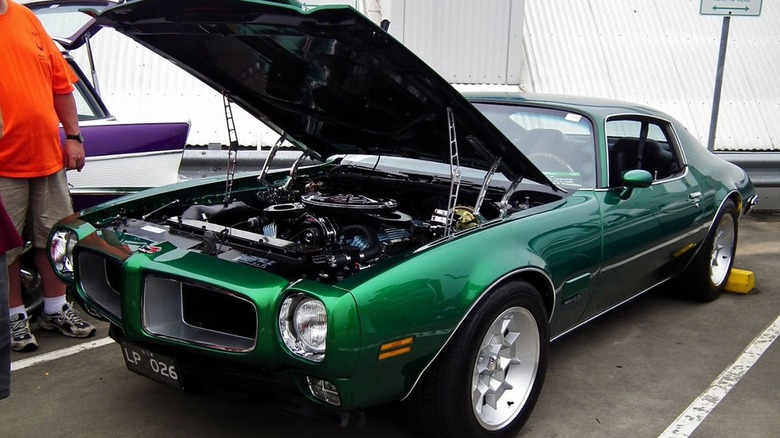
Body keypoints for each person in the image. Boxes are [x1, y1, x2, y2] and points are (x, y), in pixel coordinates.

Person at [0, 0, 95, 353]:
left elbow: (61, 84)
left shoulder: (25, 18)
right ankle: (13, 317)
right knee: (5, 249)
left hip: (46, 157)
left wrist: (73, 137)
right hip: (2, 165)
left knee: (54, 239)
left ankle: (55, 310)